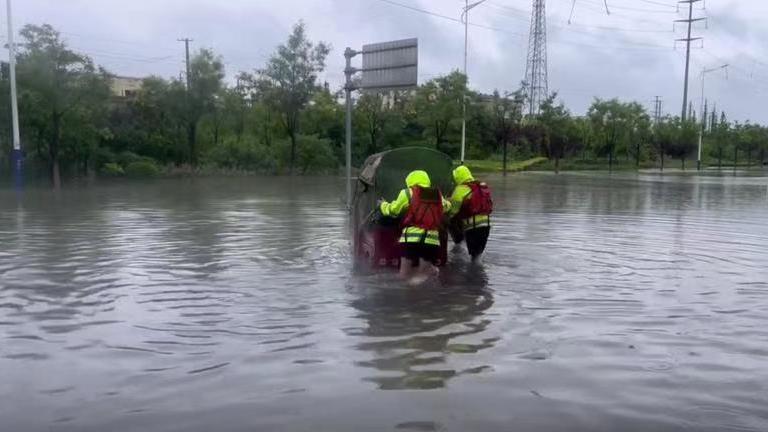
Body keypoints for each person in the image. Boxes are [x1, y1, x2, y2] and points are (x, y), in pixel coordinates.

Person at [379, 170, 451, 277]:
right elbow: (447, 207)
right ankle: (428, 275)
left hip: (410, 240)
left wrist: (383, 205)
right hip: (431, 240)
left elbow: (393, 211)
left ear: (409, 181)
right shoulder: (437, 195)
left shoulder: (407, 193)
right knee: (422, 273)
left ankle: (411, 287)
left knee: (403, 275)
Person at [447, 165, 493, 261]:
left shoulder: (460, 190)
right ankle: (479, 274)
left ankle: (473, 275)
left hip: (473, 227)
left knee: (473, 258)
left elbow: (453, 212)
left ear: (458, 177)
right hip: (486, 225)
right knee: (477, 255)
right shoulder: (480, 186)